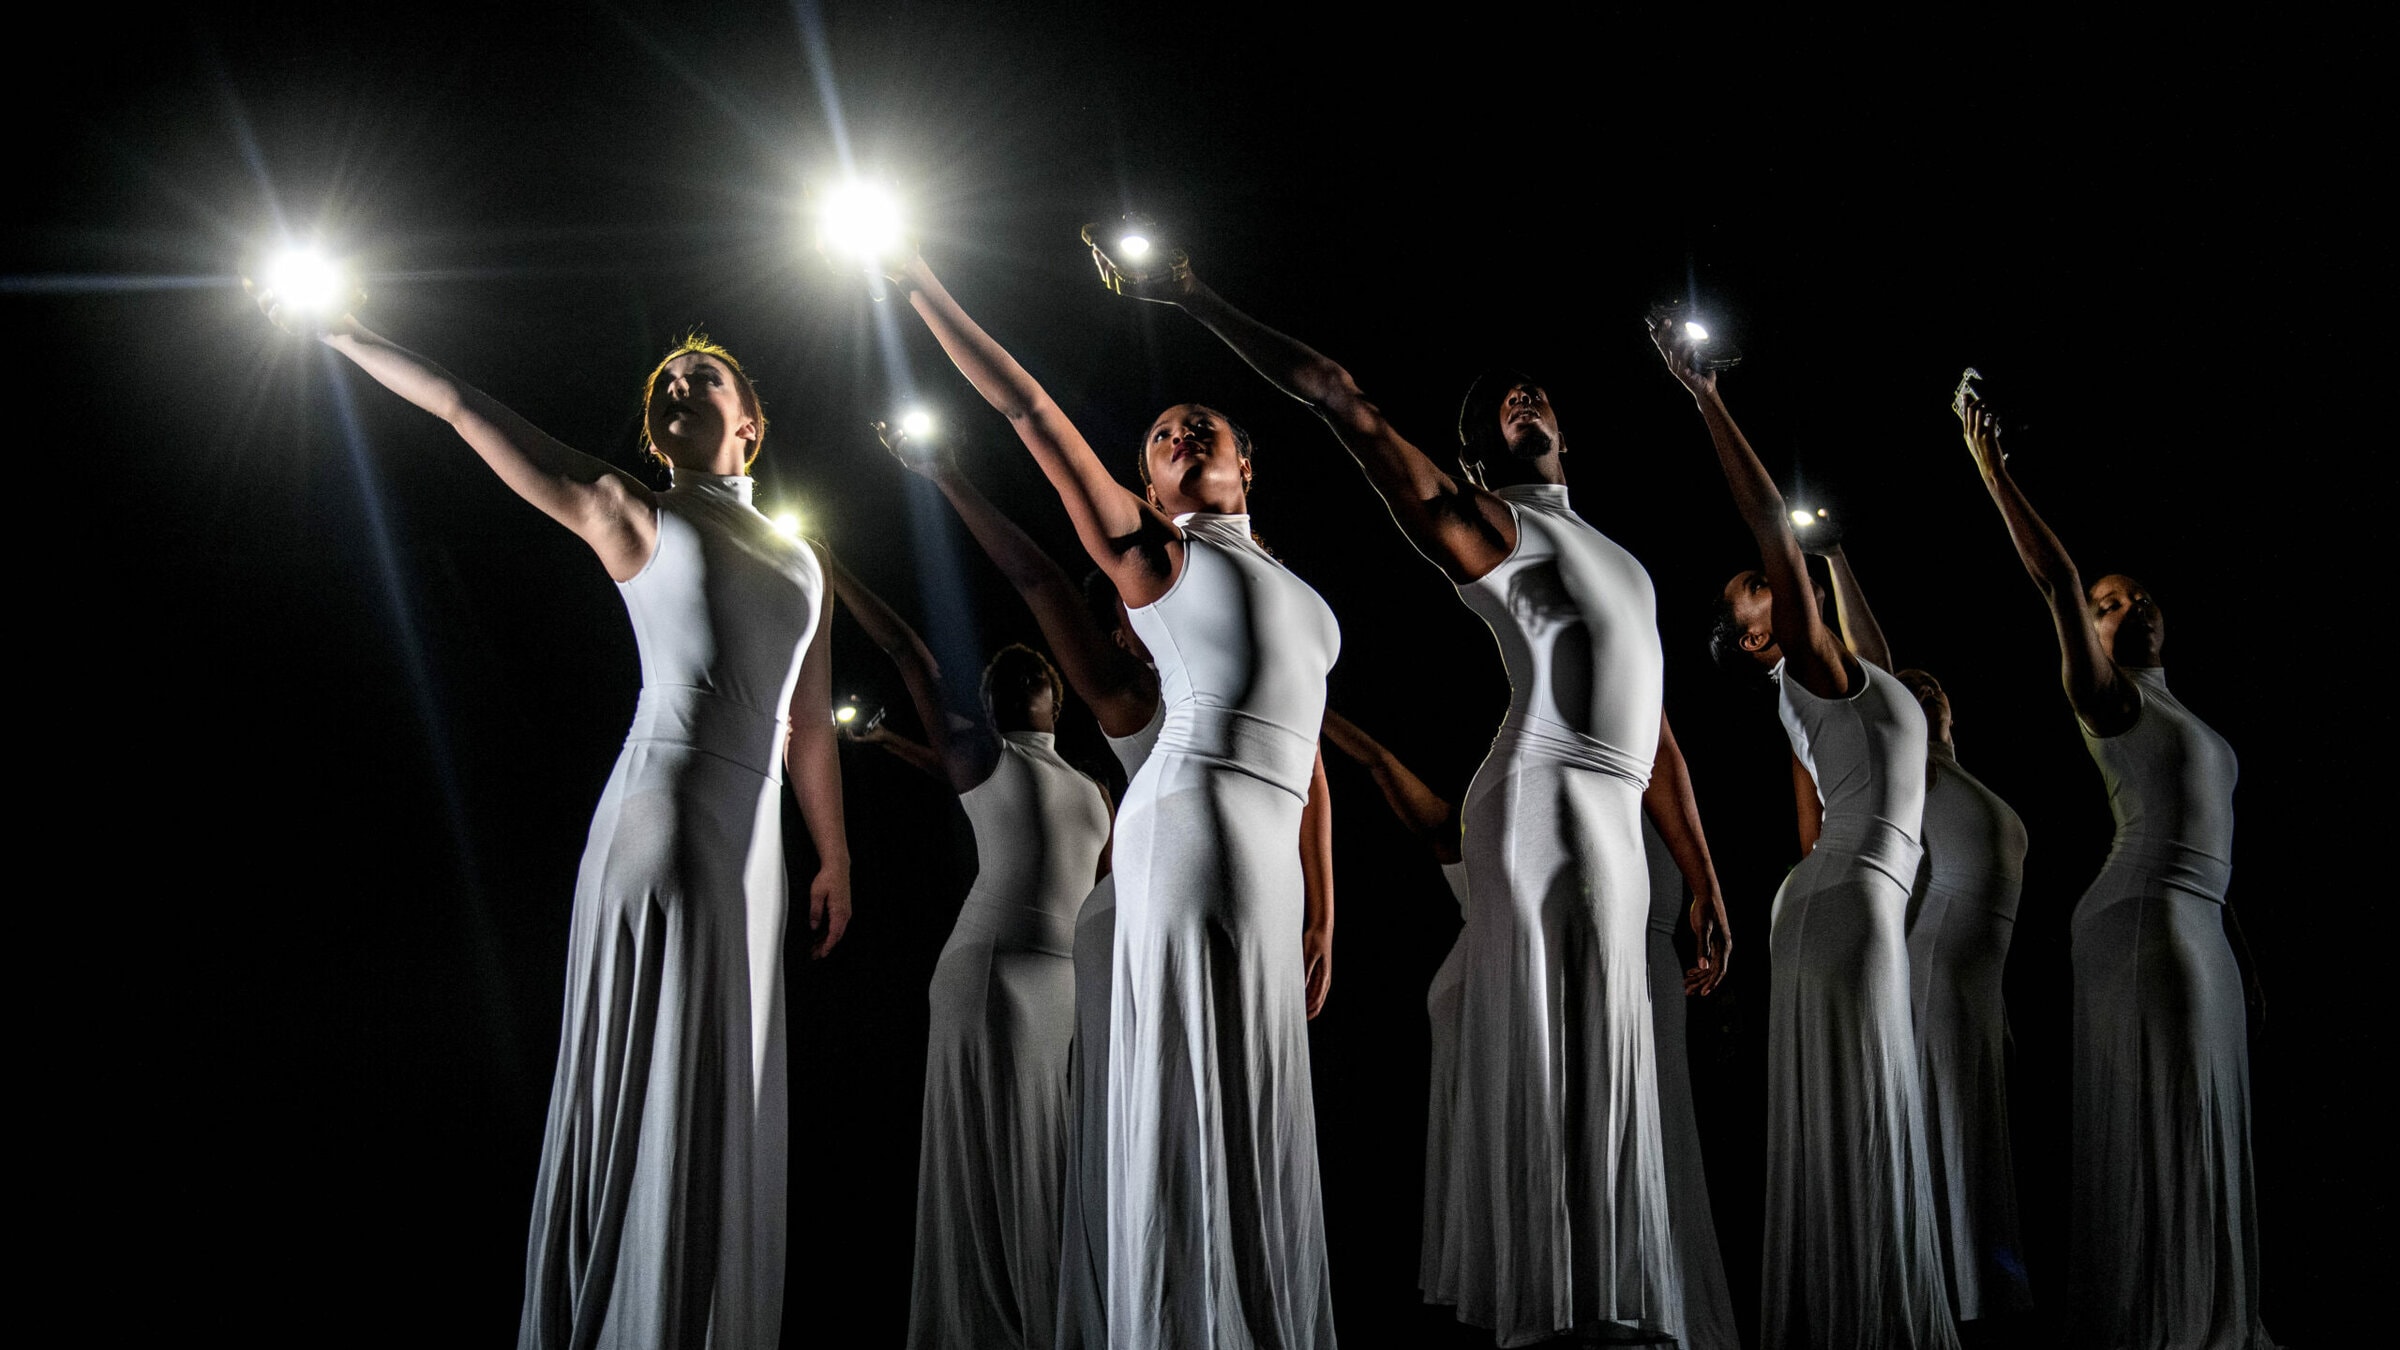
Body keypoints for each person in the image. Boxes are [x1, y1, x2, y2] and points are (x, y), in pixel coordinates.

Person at [1110, 247, 1729, 1346]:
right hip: (1544, 802)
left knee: (1613, 1047)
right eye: (1498, 405)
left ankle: (1606, 1301)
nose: (1523, 399)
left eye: (1536, 394)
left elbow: (1660, 727)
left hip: (1618, 817)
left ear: (1569, 432)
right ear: (1473, 454)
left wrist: (1706, 871)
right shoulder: (1495, 527)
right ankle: (1570, 1309)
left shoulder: (1620, 558)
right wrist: (1198, 297)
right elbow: (1339, 399)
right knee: (1565, 1053)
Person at [248, 278, 846, 1348]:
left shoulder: (804, 560)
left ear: (749, 422)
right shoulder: (634, 511)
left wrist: (834, 855)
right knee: (653, 1068)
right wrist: (347, 334)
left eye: (699, 375)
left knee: (718, 1080)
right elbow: (466, 408)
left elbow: (808, 718)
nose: (675, 382)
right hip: (662, 811)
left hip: (752, 841)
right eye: (663, 380)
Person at [870, 245, 1340, 1346]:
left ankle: (1241, 1317)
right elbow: (1031, 413)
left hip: (1268, 857)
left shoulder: (1297, 594)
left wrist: (1325, 905)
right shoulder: (1158, 560)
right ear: (1147, 482)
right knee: (1193, 1099)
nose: (1179, 434)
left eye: (1200, 424)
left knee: (1254, 1104)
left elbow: (1314, 760)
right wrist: (922, 288)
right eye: (1158, 436)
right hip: (1189, 828)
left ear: (1246, 462)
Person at [1652, 315, 1957, 1348]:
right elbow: (1777, 532)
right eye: (1761, 588)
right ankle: (1863, 1324)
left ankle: (1863, 1318)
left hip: (1841, 898)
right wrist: (1710, 400)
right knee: (1864, 1114)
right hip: (1845, 902)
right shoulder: (1809, 672)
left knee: (1869, 1110)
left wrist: (1834, 556)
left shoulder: (1852, 674)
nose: (1771, 578)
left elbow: (1852, 610)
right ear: (1762, 631)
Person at [1955, 393, 2272, 1348]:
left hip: (2201, 926)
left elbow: (2215, 842)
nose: (2121, 607)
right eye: (2105, 604)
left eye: (2135, 598)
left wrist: (2244, 954)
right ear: (2088, 633)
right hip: (2143, 919)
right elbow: (2054, 580)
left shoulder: (2191, 721)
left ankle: (2206, 1311)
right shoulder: (2107, 699)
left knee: (2208, 1115)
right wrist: (1994, 471)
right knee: (2168, 1115)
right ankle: (2164, 1320)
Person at [826, 545, 1112, 1350]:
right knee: (1002, 1149)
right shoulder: (980, 751)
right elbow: (906, 652)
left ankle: (1052, 1315)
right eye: (1002, 681)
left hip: (1066, 982)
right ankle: (995, 1322)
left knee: (1055, 1151)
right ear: (988, 705)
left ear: (1057, 694)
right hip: (989, 969)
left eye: (1035, 675)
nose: (1022, 680)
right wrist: (837, 567)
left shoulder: (1096, 789)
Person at [1805, 531, 2038, 1328]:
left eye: (1934, 687)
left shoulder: (1966, 775)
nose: (1923, 691)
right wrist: (1838, 559)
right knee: (1947, 1132)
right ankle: (1950, 1295)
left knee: (1979, 1132)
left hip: (1981, 990)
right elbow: (1872, 664)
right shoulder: (1905, 774)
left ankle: (1979, 1291)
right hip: (1932, 970)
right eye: (1911, 690)